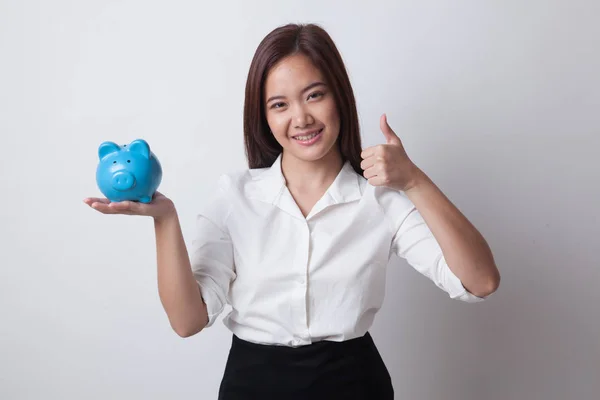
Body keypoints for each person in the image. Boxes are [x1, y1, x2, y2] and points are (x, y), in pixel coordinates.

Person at [84, 23, 500, 400]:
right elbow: (187, 321)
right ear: (264, 117)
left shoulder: (381, 199)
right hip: (253, 387)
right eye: (279, 105)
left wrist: (413, 180)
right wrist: (164, 219)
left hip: (354, 387)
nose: (300, 118)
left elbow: (480, 281)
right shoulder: (234, 195)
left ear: (339, 96)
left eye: (314, 95)